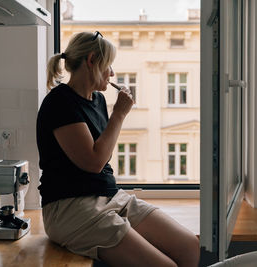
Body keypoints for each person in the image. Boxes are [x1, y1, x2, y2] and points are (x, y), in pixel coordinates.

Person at [36, 31, 200, 267]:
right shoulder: (60, 102)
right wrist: (120, 114)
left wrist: (116, 115)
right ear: (91, 61)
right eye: (108, 64)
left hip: (110, 197)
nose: (112, 73)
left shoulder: (98, 100)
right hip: (70, 208)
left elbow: (103, 154)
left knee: (189, 246)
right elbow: (93, 163)